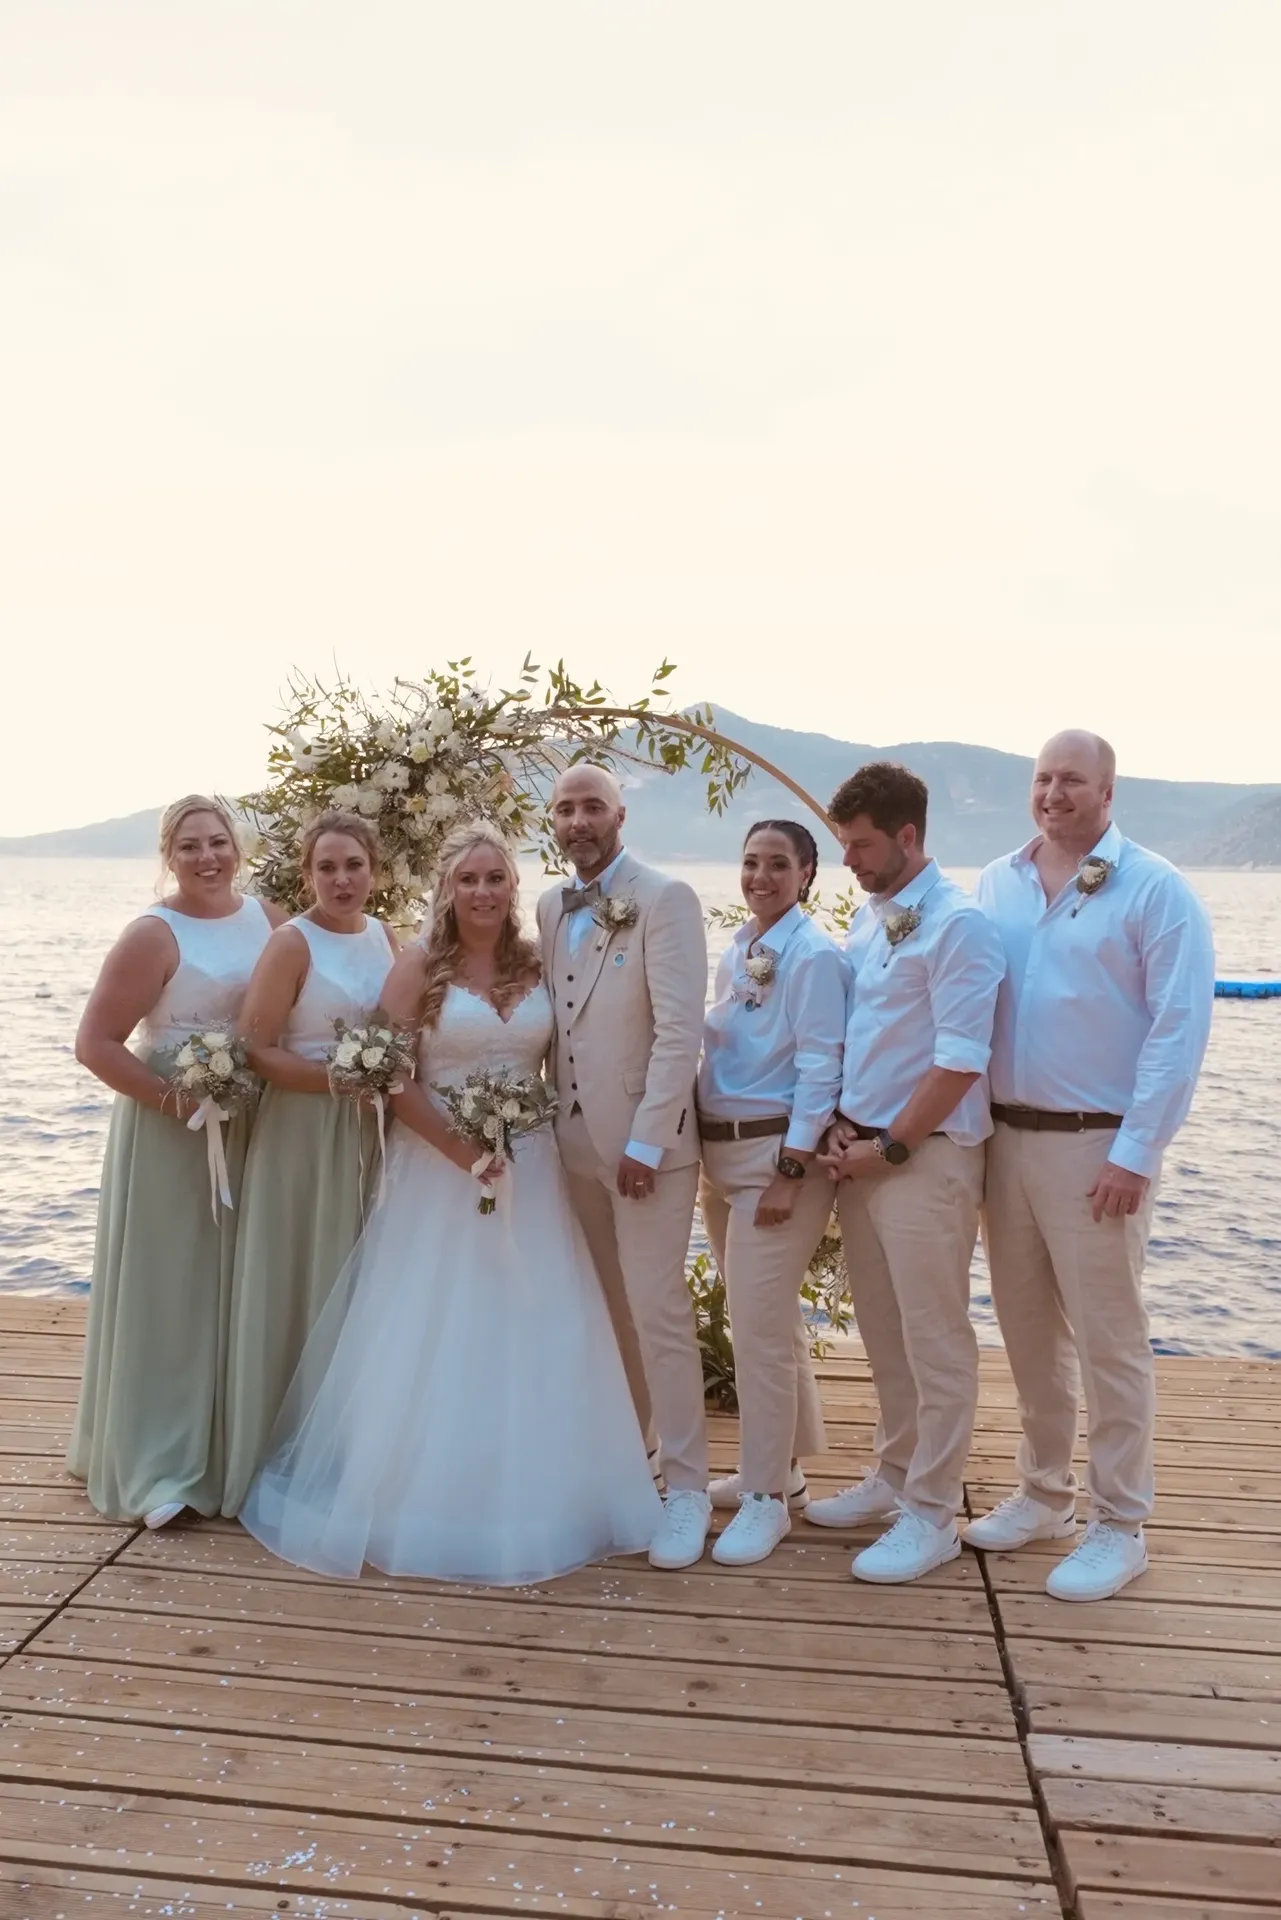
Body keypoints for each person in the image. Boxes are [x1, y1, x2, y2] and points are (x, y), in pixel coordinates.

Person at [239, 822, 661, 1584]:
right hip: (439, 1171)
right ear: (446, 890)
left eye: (495, 878)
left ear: (513, 887)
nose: (483, 893)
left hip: (530, 1169)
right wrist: (465, 1153)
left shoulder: (541, 966)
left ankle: (552, 1489)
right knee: (438, 1326)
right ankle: (423, 1497)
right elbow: (394, 1080)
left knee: (538, 1320)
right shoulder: (414, 970)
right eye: (468, 880)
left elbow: (574, 1061)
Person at [966, 731, 1215, 1602]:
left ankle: (1121, 1524)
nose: (1052, 793)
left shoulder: (1155, 889)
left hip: (1096, 1147)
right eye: (1041, 778)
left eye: (1071, 780)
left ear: (1108, 792)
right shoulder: (995, 881)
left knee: (1109, 1341)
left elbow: (1176, 1031)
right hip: (1003, 1141)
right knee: (1027, 1331)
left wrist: (1135, 1153)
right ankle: (1043, 1494)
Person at [810, 762, 1005, 1583]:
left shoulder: (959, 925)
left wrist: (888, 1147)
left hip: (921, 1160)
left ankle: (930, 1513)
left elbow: (959, 1061)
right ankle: (893, 1476)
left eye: (858, 845)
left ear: (908, 837)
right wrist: (839, 1130)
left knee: (936, 1340)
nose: (847, 860)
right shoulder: (870, 920)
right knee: (884, 1335)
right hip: (861, 1155)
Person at [68, 795, 284, 1526]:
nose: (206, 858)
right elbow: (95, 1043)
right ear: (169, 854)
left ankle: (230, 1450)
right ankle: (158, 1463)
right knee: (171, 1292)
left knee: (238, 1287)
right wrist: (176, 1105)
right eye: (189, 846)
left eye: (217, 842)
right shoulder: (152, 935)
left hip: (251, 1118)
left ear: (238, 847)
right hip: (170, 1127)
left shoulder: (271, 919)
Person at [537, 766, 711, 1571]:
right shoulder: (547, 906)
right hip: (570, 1147)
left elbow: (680, 1033)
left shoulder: (666, 898)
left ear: (619, 814)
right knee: (606, 1317)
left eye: (592, 807)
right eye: (565, 809)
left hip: (648, 1152)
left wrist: (647, 1141)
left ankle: (686, 1490)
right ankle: (626, 1467)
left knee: (659, 1315)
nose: (579, 821)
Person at [221, 812, 398, 1515]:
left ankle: (345, 1449)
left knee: (352, 1286)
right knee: (296, 1280)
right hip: (300, 1131)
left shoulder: (387, 936)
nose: (341, 879)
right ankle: (273, 1446)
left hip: (367, 1136)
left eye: (353, 864)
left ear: (374, 870)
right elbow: (254, 1047)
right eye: (326, 868)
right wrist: (336, 1082)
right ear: (307, 876)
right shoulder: (291, 943)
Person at [697, 820, 849, 1566]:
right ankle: (781, 1475)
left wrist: (791, 1169)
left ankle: (764, 1502)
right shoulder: (739, 950)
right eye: (751, 862)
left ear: (807, 873)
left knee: (755, 1333)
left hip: (772, 1162)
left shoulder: (814, 957)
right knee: (767, 1322)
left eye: (778, 864)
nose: (760, 876)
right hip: (720, 1161)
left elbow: (822, 1066)